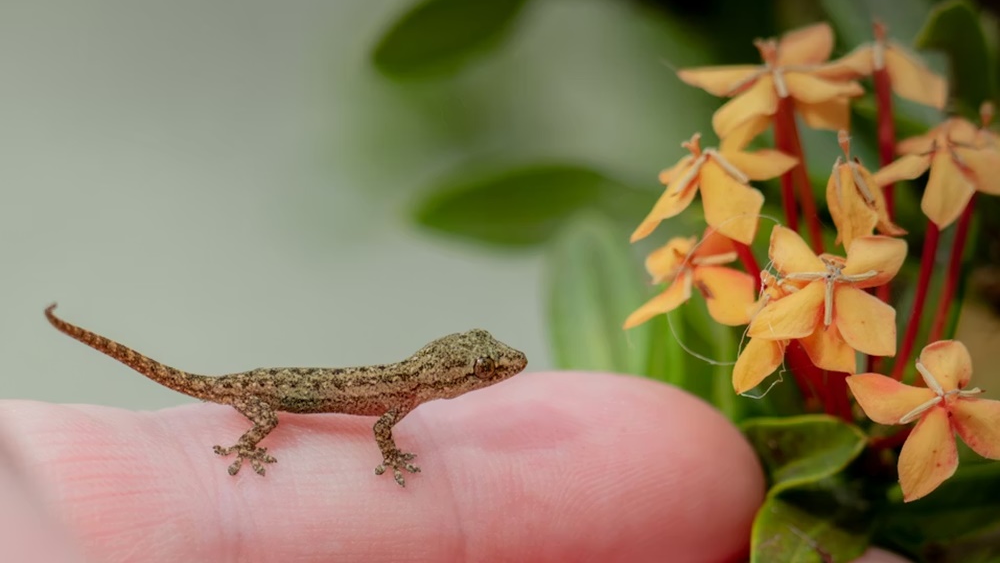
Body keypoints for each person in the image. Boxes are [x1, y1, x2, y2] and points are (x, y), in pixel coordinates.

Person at [0, 372, 907, 562]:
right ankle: (242, 443)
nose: (497, 376)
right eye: (485, 371)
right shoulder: (401, 404)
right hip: (261, 397)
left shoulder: (407, 391)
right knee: (256, 428)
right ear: (451, 375)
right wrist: (248, 438)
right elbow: (387, 440)